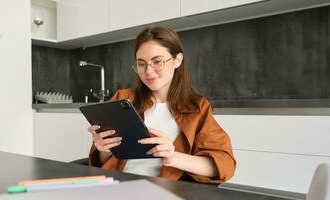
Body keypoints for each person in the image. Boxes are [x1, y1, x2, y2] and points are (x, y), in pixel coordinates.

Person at [87, 26, 236, 184]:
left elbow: (224, 164)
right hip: (117, 185)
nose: (148, 71)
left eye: (157, 61)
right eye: (141, 64)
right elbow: (101, 162)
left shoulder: (197, 107)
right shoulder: (123, 98)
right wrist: (104, 149)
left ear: (177, 60)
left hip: (164, 190)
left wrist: (173, 157)